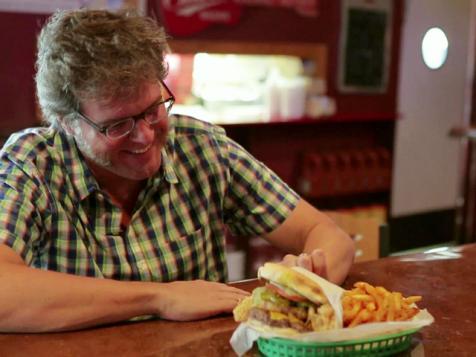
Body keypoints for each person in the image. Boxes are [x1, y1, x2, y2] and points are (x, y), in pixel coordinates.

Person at [0, 9, 355, 333]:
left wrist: (310, 276)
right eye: (118, 125)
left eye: (153, 108)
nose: (145, 136)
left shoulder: (200, 146)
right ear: (67, 124)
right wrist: (161, 298)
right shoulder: (32, 163)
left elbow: (327, 234)